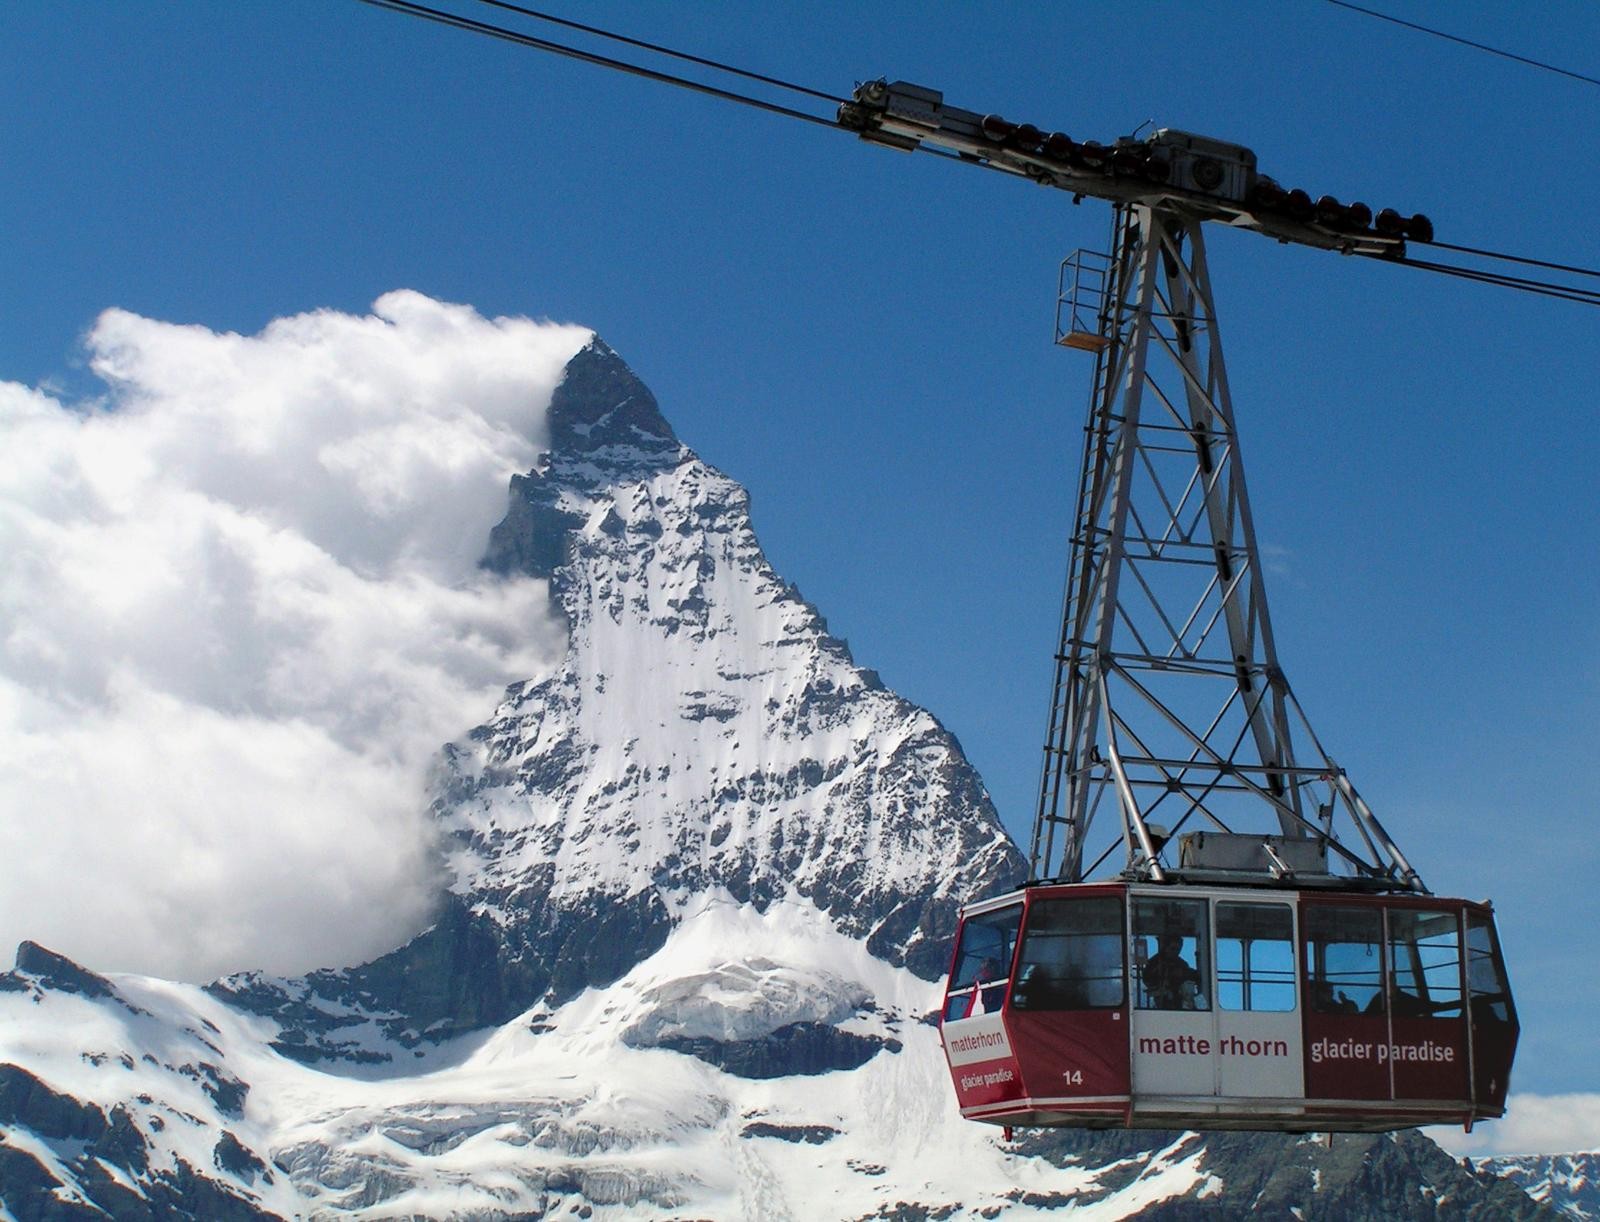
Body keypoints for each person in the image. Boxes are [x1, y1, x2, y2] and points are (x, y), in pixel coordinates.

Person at [1141, 933, 1201, 1010]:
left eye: (1178, 949)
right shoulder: (1154, 962)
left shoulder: (1181, 964)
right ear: (1166, 947)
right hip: (1162, 998)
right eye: (1173, 948)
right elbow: (1147, 979)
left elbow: (1189, 975)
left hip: (1179, 999)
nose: (1176, 952)